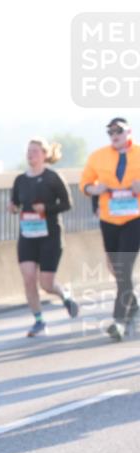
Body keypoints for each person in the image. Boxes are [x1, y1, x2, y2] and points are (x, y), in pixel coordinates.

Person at [9, 138, 79, 336]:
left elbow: (67, 204)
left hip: (50, 236)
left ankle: (64, 295)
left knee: (47, 284)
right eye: (29, 151)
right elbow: (15, 203)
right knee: (29, 278)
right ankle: (39, 321)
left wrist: (46, 208)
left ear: (45, 154)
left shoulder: (53, 177)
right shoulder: (20, 180)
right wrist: (12, 207)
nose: (31, 154)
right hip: (27, 235)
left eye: (35, 151)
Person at [80, 117, 140, 341]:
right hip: (109, 219)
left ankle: (119, 321)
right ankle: (133, 305)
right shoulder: (98, 156)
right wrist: (94, 190)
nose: (115, 135)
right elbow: (85, 183)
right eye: (110, 132)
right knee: (116, 268)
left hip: (134, 218)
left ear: (128, 132)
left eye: (119, 131)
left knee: (123, 267)